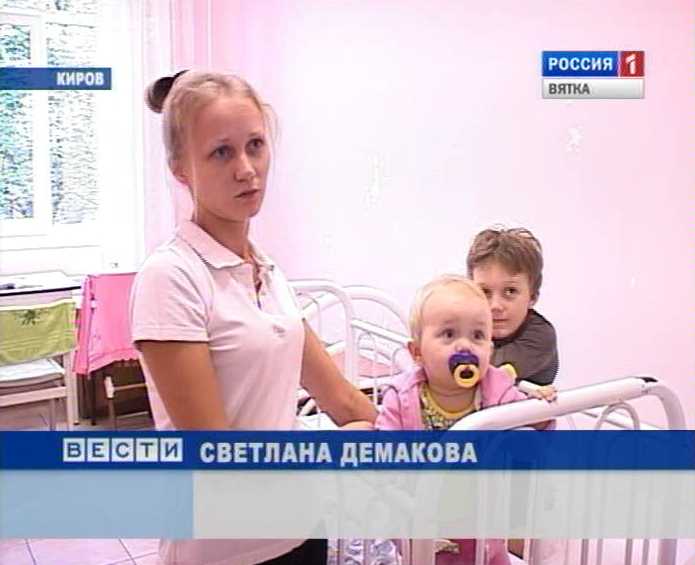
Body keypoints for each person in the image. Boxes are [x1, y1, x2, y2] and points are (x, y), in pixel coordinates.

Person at [130, 70, 377, 565]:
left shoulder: (267, 273)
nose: (247, 169)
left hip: (302, 534)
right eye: (221, 152)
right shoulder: (171, 277)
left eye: (255, 146)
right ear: (181, 170)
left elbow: (344, 400)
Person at [375, 274, 556, 564]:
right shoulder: (402, 398)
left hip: (484, 528)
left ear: (489, 349)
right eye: (449, 334)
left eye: (478, 336)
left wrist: (541, 409)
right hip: (423, 527)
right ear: (417, 352)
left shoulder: (496, 390)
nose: (465, 346)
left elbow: (530, 430)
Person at [467, 227, 559, 386]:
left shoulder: (541, 336)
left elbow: (486, 371)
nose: (495, 306)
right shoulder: (465, 325)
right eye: (484, 292)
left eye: (510, 291)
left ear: (532, 297)